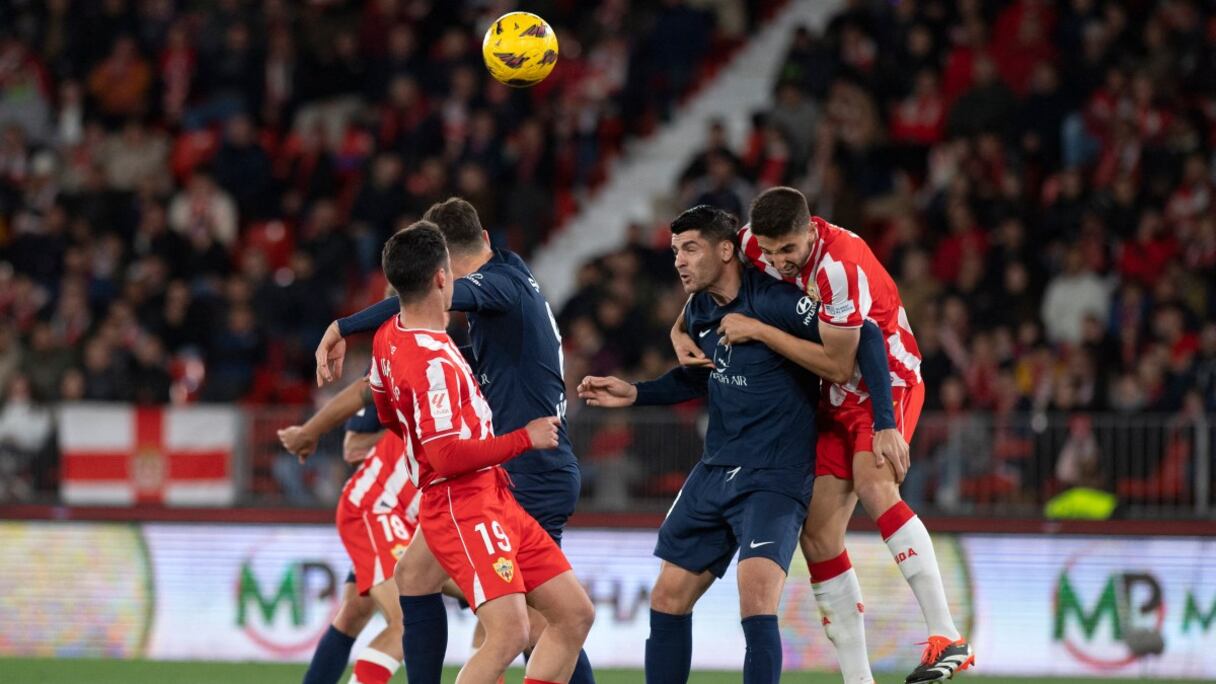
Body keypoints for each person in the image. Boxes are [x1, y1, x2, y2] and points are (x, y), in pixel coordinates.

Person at [578, 205, 897, 684]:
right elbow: (700, 380)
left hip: (774, 475)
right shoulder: (701, 309)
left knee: (755, 599)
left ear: (726, 250)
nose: (679, 262)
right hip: (715, 470)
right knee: (667, 598)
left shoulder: (776, 301)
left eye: (690, 249)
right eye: (675, 252)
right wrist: (637, 392)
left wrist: (885, 423)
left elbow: (866, 335)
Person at [672, 187, 972, 683]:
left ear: (811, 230)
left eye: (788, 250)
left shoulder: (840, 264)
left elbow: (845, 358)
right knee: (818, 533)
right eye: (770, 252)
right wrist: (678, 330)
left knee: (876, 484)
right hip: (833, 394)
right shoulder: (752, 244)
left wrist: (886, 425)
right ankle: (858, 680)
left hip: (885, 381)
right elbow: (712, 284)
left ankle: (947, 635)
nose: (779, 262)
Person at [314, 198, 595, 684]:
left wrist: (343, 327)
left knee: (536, 624)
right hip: (494, 476)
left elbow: (418, 305)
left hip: (528, 472)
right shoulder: (509, 273)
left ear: (442, 270)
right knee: (418, 580)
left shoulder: (495, 288)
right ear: (484, 237)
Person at [278, 377, 410, 684]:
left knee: (354, 611)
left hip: (409, 517)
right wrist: (310, 431)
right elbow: (353, 446)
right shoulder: (412, 360)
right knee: (410, 621)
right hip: (380, 507)